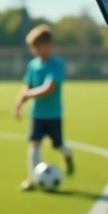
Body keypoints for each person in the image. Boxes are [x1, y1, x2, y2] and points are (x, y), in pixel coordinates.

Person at [14, 24, 75, 191]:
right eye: (33, 48)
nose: (35, 51)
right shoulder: (33, 65)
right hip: (36, 114)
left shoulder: (57, 64)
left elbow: (49, 88)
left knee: (57, 145)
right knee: (34, 144)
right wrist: (19, 103)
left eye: (37, 47)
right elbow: (27, 86)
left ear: (48, 45)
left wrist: (28, 95)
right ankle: (32, 179)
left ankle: (68, 156)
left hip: (53, 114)